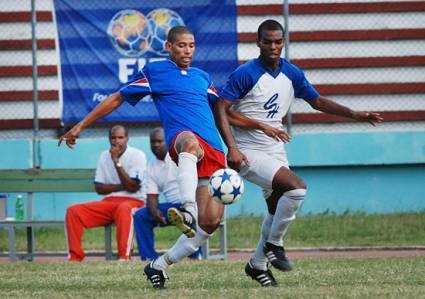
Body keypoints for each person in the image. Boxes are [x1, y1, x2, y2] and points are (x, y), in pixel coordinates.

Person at [215, 19, 384, 287]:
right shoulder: (245, 73)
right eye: (267, 41)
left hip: (275, 149)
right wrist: (233, 148)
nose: (273, 46)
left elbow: (316, 101)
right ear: (258, 42)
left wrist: (355, 114)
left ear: (283, 42)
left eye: (278, 41)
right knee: (296, 188)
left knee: (275, 209)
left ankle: (257, 265)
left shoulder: (291, 73)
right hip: (248, 151)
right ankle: (275, 245)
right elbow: (221, 108)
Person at [59, 26, 229, 288]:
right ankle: (187, 209)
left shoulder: (202, 77)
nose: (187, 50)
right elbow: (117, 98)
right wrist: (80, 125)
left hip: (214, 150)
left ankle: (158, 266)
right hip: (182, 140)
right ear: (169, 47)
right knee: (190, 145)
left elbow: (222, 113)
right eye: (181, 45)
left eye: (191, 45)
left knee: (209, 224)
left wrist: (238, 145)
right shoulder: (156, 71)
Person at [64, 125, 146, 262]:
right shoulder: (103, 156)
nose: (116, 141)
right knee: (73, 211)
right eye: (113, 138)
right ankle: (75, 257)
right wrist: (123, 185)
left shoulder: (137, 155)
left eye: (120, 137)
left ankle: (124, 257)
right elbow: (99, 189)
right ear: (109, 139)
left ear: (127, 138)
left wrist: (116, 162)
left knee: (124, 208)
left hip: (135, 201)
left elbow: (133, 188)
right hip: (109, 202)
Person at [133, 127, 201, 261]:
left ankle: (195, 255)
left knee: (194, 213)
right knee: (141, 216)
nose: (156, 144)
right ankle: (148, 257)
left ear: (167, 141)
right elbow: (152, 195)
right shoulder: (151, 165)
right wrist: (154, 212)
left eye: (159, 141)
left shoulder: (178, 155)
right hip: (172, 209)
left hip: (191, 203)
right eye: (153, 142)